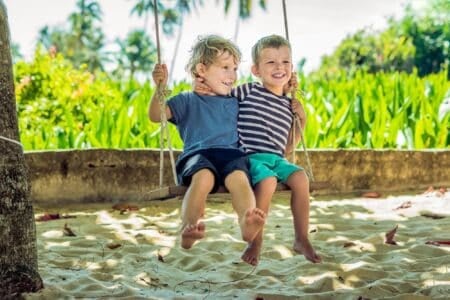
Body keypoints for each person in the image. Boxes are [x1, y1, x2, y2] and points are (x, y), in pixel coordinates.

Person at [195, 34, 321, 265]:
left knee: (301, 177)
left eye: (285, 62)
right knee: (269, 181)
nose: (279, 67)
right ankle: (256, 241)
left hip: (276, 158)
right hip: (250, 157)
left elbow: (289, 146)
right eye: (270, 62)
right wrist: (204, 87)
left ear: (292, 68)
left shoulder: (289, 104)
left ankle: (301, 238)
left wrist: (301, 118)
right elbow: (221, 95)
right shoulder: (249, 91)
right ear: (256, 70)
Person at [149, 35, 266, 251]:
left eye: (234, 69)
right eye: (225, 68)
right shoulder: (186, 100)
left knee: (240, 178)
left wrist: (287, 89)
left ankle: (246, 223)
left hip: (231, 155)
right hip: (198, 156)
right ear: (202, 70)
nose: (232, 75)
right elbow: (157, 115)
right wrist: (160, 87)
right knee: (202, 178)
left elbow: (266, 95)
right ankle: (189, 228)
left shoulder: (236, 100)